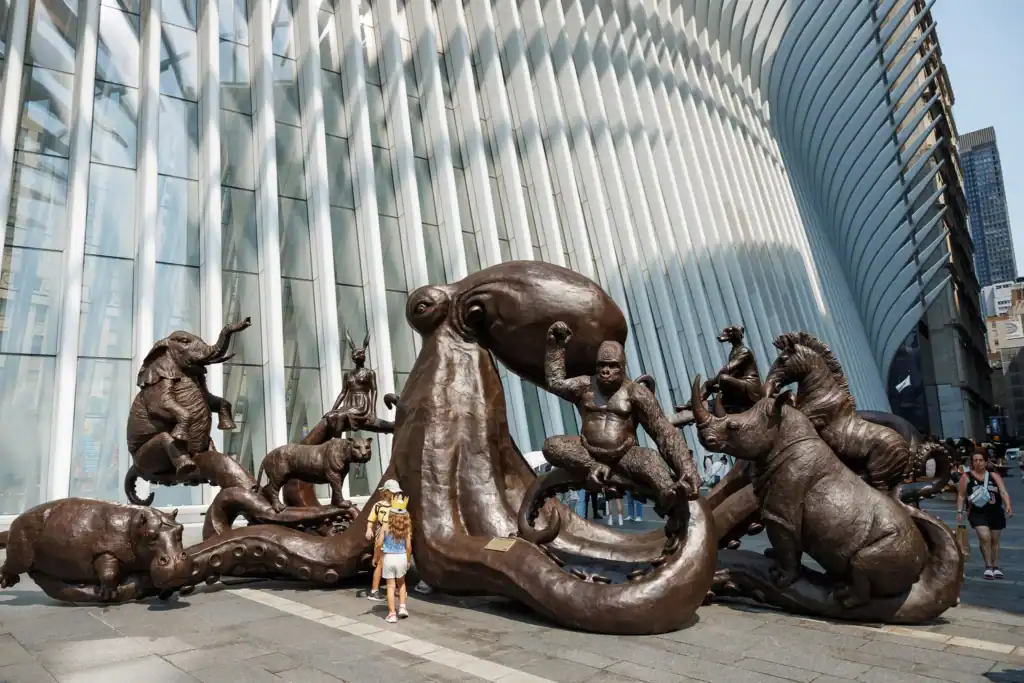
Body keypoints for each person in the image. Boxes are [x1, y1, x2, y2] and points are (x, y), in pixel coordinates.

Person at [957, 450, 1013, 580]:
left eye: (980, 460)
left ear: (986, 461)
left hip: (995, 512)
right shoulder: (966, 477)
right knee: (984, 537)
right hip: (977, 513)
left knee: (994, 540)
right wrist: (959, 511)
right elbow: (961, 495)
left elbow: (1003, 492)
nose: (978, 463)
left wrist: (1008, 505)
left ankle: (995, 566)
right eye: (975, 460)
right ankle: (988, 566)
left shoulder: (994, 476)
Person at [376, 494, 413, 623]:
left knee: (390, 587)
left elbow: (379, 543)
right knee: (401, 583)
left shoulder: (385, 527)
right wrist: (408, 560)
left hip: (389, 557)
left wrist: (376, 556)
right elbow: (408, 546)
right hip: (402, 556)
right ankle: (402, 608)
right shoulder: (406, 528)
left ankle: (392, 614)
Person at [365, 478, 401, 601]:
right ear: (386, 492)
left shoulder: (398, 505)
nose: (395, 494)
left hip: (395, 534)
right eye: (392, 492)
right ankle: (374, 590)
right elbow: (371, 520)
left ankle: (394, 587)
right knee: (380, 563)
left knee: (395, 562)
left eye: (396, 492)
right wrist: (369, 529)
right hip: (382, 533)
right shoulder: (378, 506)